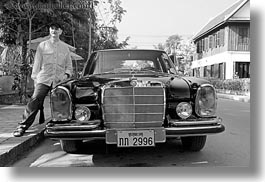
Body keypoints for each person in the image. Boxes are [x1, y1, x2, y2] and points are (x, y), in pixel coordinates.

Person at [13, 22, 73, 137]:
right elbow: (37, 64)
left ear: (60, 31)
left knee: (62, 101)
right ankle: (22, 126)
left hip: (58, 81)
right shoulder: (43, 45)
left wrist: (65, 76)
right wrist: (35, 79)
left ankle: (62, 125)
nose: (54, 31)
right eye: (52, 28)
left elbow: (69, 67)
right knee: (35, 100)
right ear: (49, 30)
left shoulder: (65, 48)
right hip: (43, 79)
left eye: (57, 29)